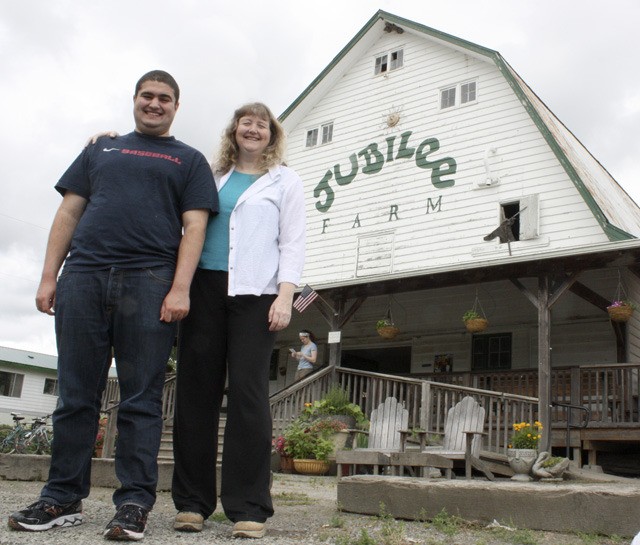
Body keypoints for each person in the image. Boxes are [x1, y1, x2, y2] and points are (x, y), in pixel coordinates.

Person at [7, 70, 218, 542]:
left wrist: (180, 287)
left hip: (149, 281)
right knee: (76, 395)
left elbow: (195, 226)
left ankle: (133, 505)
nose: (155, 104)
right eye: (148, 96)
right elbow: (69, 211)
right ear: (135, 100)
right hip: (82, 277)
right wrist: (49, 277)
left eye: (165, 98)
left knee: (141, 399)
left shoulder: (189, 159)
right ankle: (61, 497)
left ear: (176, 107)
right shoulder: (100, 149)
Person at [171, 102, 305, 539]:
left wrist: (285, 296)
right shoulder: (209, 176)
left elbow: (292, 243)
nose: (252, 129)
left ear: (272, 134)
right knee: (196, 393)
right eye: (245, 122)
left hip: (256, 295)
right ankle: (192, 504)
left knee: (249, 396)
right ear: (234, 131)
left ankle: (249, 507)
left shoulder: (285, 181)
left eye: (261, 124)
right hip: (204, 290)